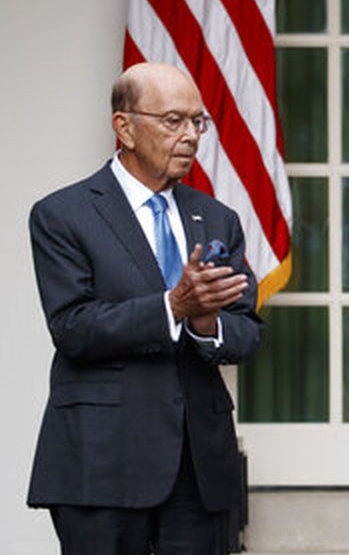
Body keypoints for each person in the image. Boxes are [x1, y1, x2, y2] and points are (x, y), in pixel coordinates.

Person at [26, 62, 262, 554]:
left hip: (200, 468)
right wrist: (173, 305)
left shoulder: (216, 218)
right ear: (125, 127)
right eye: (173, 120)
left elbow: (246, 332)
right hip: (102, 462)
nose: (191, 136)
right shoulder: (62, 215)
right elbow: (73, 328)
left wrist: (205, 321)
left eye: (198, 122)